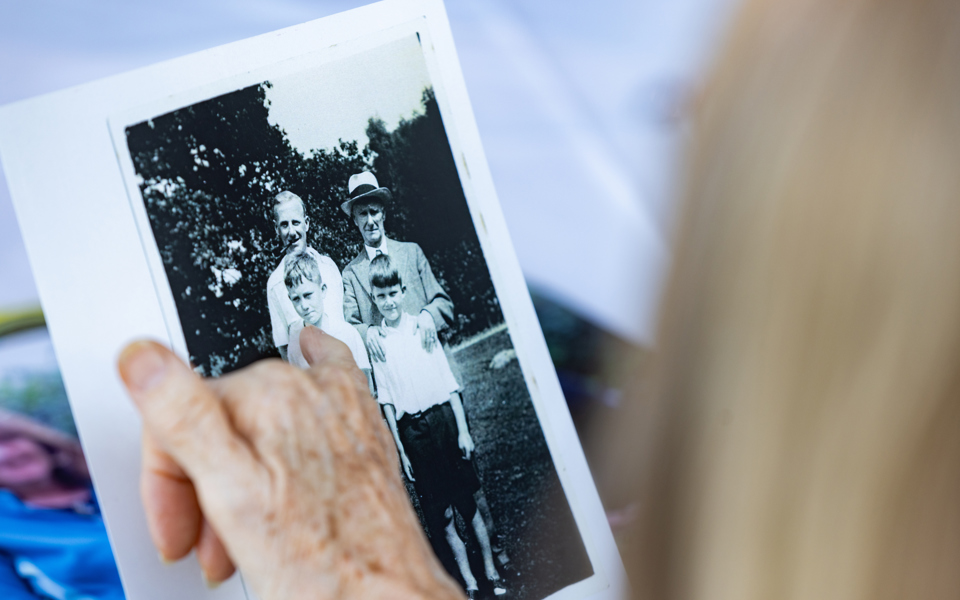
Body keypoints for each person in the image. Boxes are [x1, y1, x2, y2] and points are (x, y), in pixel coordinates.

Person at [116, 0, 960, 598]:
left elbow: (438, 309)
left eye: (710, 124)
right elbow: (355, 341)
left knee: (473, 495)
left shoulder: (410, 253)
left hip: (436, 391)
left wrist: (369, 584)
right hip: (395, 401)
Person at [368, 254, 504, 598]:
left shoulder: (420, 327)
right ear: (374, 298)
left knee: (467, 503)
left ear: (402, 291)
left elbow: (448, 383)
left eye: (393, 293)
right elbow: (386, 401)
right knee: (442, 516)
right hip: (414, 434)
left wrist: (462, 429)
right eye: (380, 296)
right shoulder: (378, 344)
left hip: (443, 421)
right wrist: (402, 450)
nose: (389, 302)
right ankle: (470, 583)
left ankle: (490, 571)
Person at [0, 410, 125, 600]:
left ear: (43, 442)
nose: (6, 454)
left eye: (9, 439)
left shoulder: (117, 478)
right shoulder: (7, 530)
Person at [340, 171, 453, 362]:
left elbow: (444, 304)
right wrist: (367, 332)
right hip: (392, 371)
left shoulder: (412, 252)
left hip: (430, 357)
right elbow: (351, 326)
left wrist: (429, 315)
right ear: (354, 220)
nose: (370, 221)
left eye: (374, 211)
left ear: (383, 213)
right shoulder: (350, 274)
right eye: (362, 214)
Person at [266, 190, 345, 362]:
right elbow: (284, 348)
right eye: (284, 225)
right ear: (276, 229)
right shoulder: (275, 284)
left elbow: (345, 323)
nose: (292, 232)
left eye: (296, 222)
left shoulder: (329, 267)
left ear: (307, 223)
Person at [283, 251, 374, 397]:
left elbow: (367, 390)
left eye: (308, 295)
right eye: (296, 299)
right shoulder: (295, 346)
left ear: (323, 290)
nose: (304, 305)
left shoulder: (347, 334)